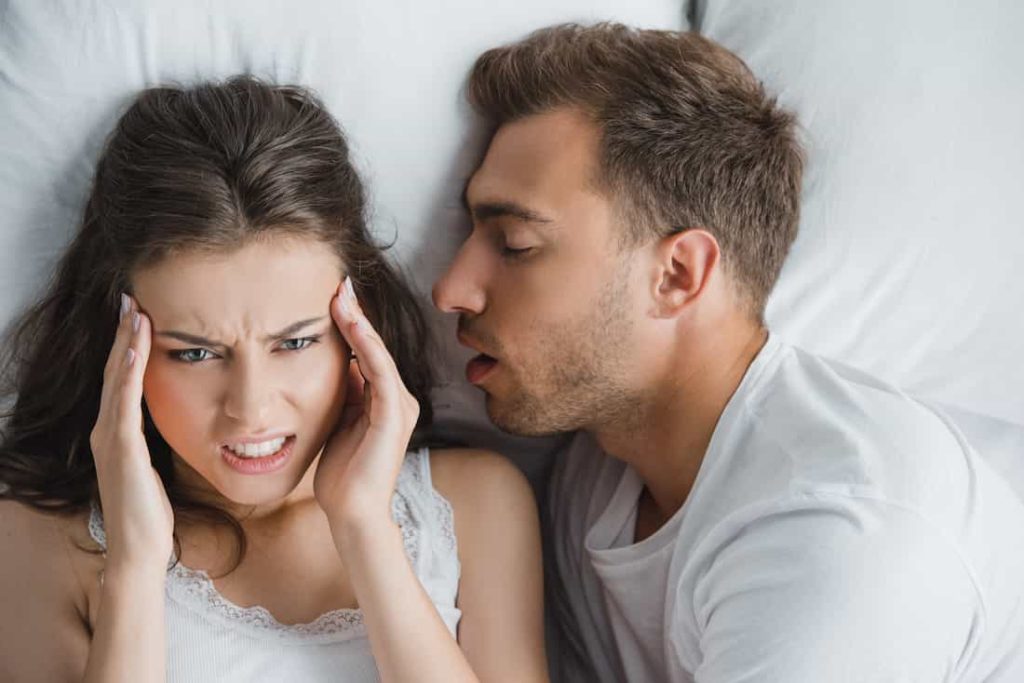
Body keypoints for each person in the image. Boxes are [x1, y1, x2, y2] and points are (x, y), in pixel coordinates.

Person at [433, 23, 1024, 682]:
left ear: (678, 275)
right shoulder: (594, 477)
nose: (451, 289)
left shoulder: (838, 530)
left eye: (515, 244)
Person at [0, 77, 547, 682]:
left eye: (294, 342)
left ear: (355, 332)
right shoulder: (38, 539)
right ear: (120, 347)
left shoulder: (473, 504)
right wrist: (134, 566)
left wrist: (365, 527)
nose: (251, 408)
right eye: (195, 354)